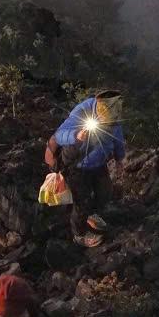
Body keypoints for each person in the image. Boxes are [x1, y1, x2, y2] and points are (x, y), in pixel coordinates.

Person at [45, 91, 126, 230]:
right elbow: (60, 134)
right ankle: (79, 234)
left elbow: (118, 138)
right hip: (78, 165)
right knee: (81, 201)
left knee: (105, 193)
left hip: (99, 163)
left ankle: (92, 215)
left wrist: (119, 159)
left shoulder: (114, 119)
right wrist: (77, 135)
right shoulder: (84, 110)